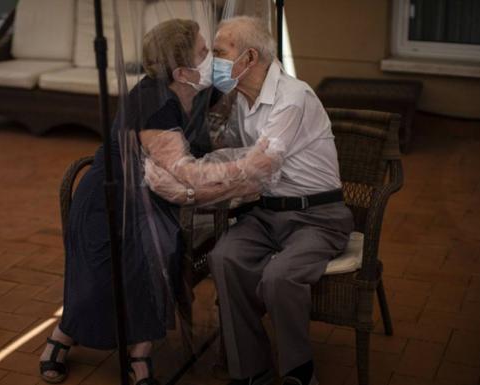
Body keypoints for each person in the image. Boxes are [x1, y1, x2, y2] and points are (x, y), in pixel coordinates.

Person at [39, 19, 271, 385]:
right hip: (111, 198)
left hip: (154, 198)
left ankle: (140, 356)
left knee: (159, 258)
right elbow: (185, 175)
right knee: (106, 275)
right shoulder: (153, 104)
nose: (211, 57)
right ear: (181, 70)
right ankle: (62, 336)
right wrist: (249, 169)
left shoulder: (190, 87)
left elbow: (225, 86)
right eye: (203, 52)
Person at [207, 16, 354, 385]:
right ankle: (252, 371)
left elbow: (259, 168)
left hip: (317, 215)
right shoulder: (241, 99)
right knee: (223, 258)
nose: (213, 62)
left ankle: (299, 372)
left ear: (249, 57)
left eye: (219, 52)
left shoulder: (293, 96)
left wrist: (197, 185)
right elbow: (230, 153)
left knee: (279, 277)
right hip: (265, 214)